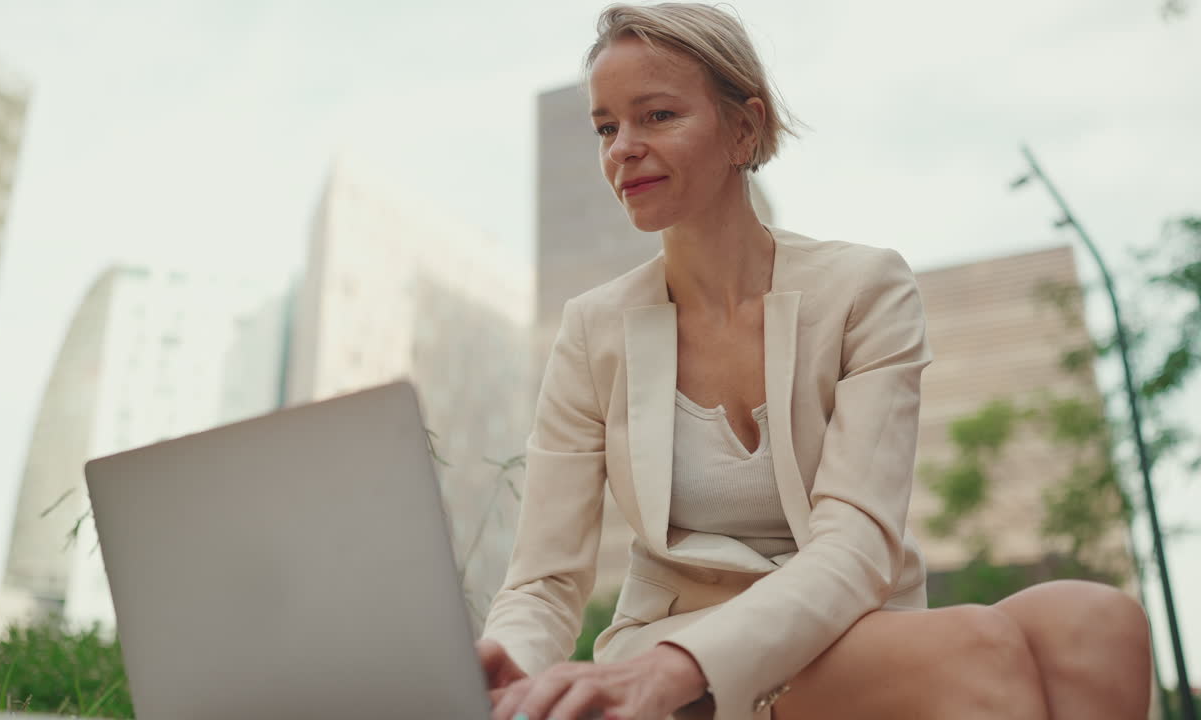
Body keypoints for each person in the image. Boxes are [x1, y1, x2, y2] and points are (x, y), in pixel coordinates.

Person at [475, 3, 1152, 719]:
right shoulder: (591, 331)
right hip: (677, 640)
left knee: (1099, 621)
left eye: (658, 116)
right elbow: (544, 580)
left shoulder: (865, 289)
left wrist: (679, 673)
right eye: (607, 127)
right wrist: (507, 667)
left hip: (843, 616)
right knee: (974, 647)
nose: (623, 148)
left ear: (745, 127)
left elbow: (857, 541)